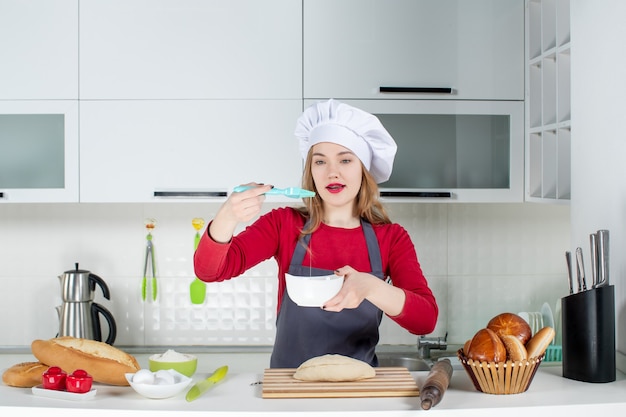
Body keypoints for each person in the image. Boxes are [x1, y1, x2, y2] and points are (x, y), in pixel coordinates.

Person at [194, 99, 438, 368]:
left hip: (358, 391)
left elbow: (425, 320)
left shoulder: (391, 238)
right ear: (311, 171)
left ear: (363, 170)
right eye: (320, 161)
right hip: (289, 385)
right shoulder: (284, 224)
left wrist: (370, 286)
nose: (332, 172)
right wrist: (228, 215)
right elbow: (210, 271)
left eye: (345, 160)